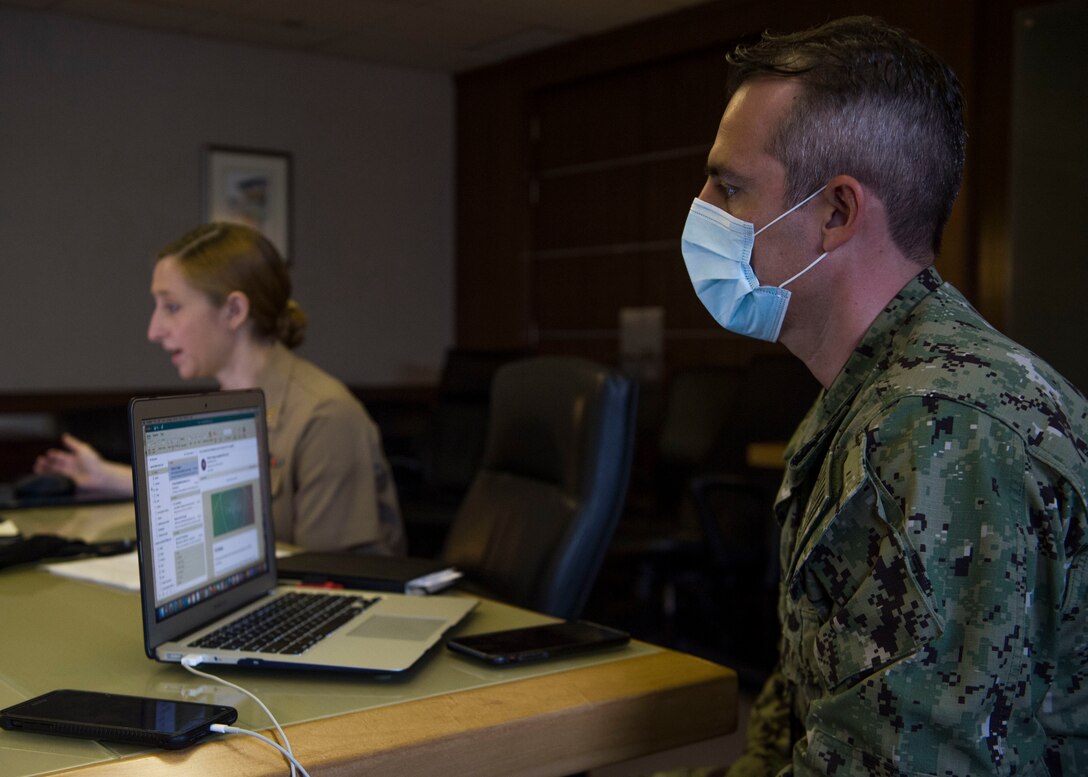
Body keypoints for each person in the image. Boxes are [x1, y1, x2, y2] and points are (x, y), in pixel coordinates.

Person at [676, 15, 1088, 777]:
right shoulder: (868, 396)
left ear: (835, 212)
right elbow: (809, 695)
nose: (700, 207)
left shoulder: (942, 430)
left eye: (729, 187)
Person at [36, 222, 405, 556]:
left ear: (233, 311)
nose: (154, 330)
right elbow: (210, 504)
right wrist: (106, 477)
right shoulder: (226, 408)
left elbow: (332, 578)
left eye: (173, 306)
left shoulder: (325, 415)